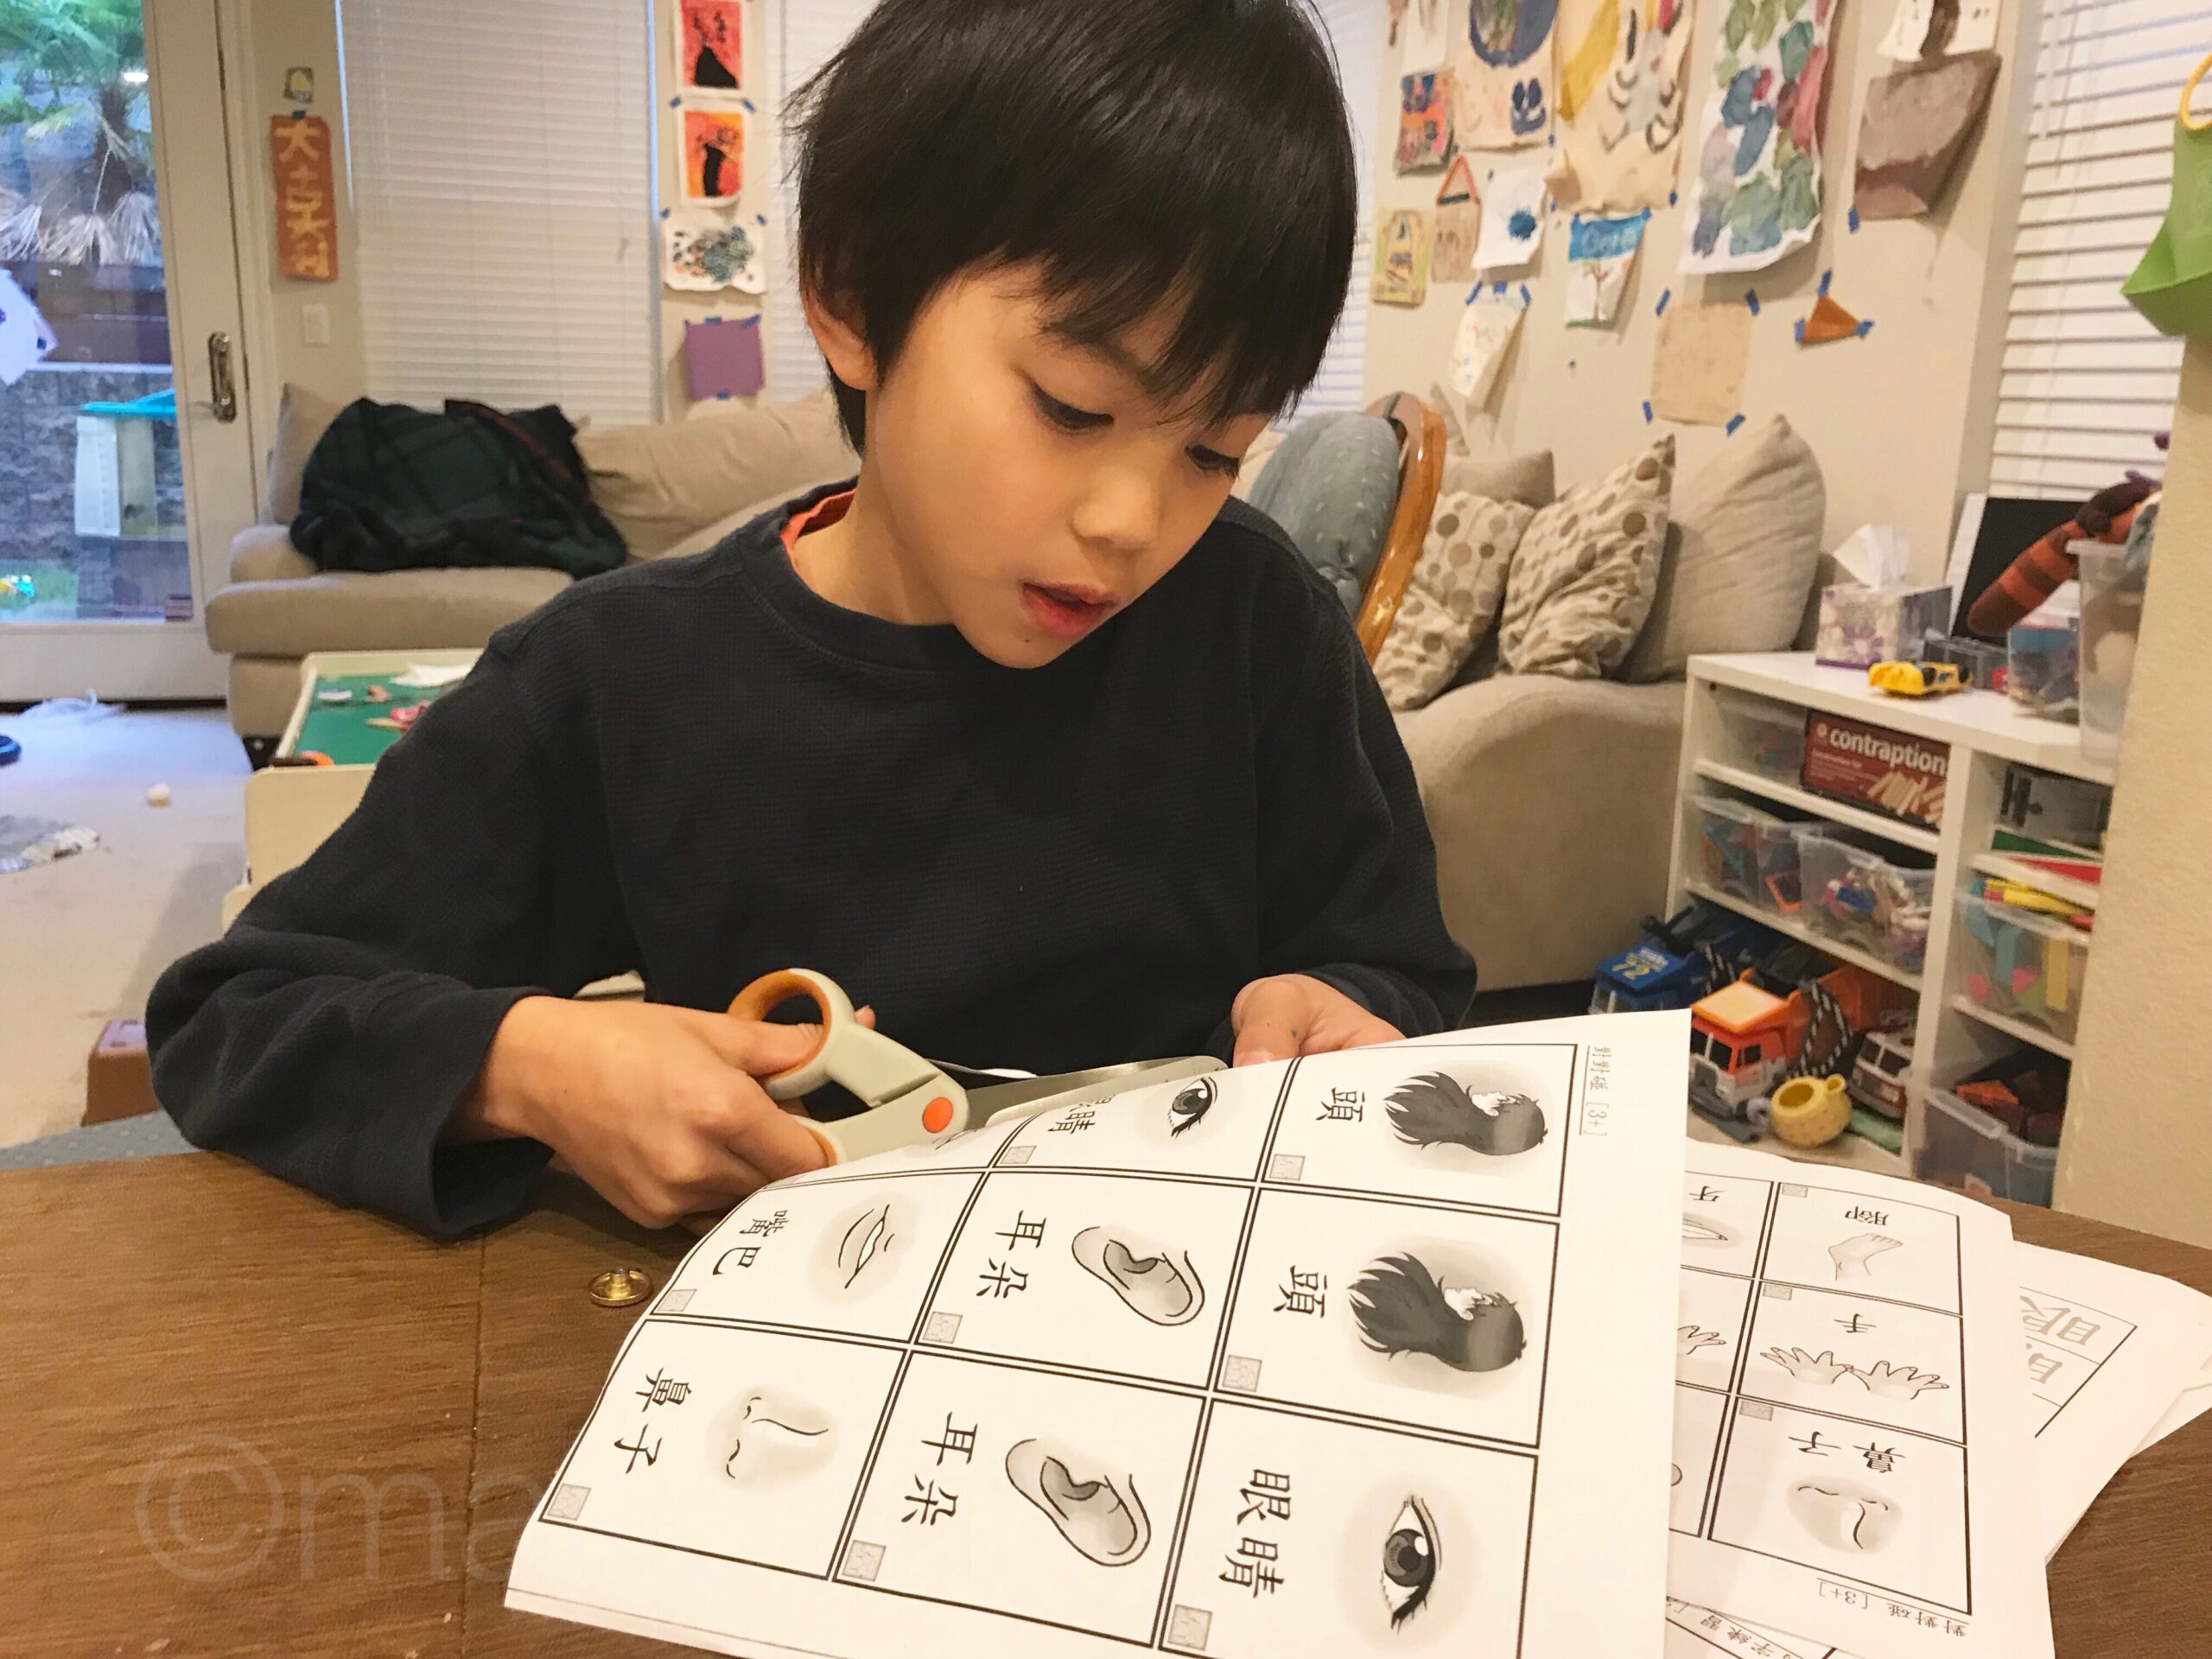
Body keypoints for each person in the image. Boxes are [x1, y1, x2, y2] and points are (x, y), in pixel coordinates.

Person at [148, 0, 1477, 1240]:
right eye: (1073, 408)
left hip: (1172, 1297)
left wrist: (1345, 1009)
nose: (1134, 520)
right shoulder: (624, 679)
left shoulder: (1251, 625)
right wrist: (528, 1067)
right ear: (848, 298)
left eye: (1215, 451)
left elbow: (1398, 967)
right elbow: (237, 1012)